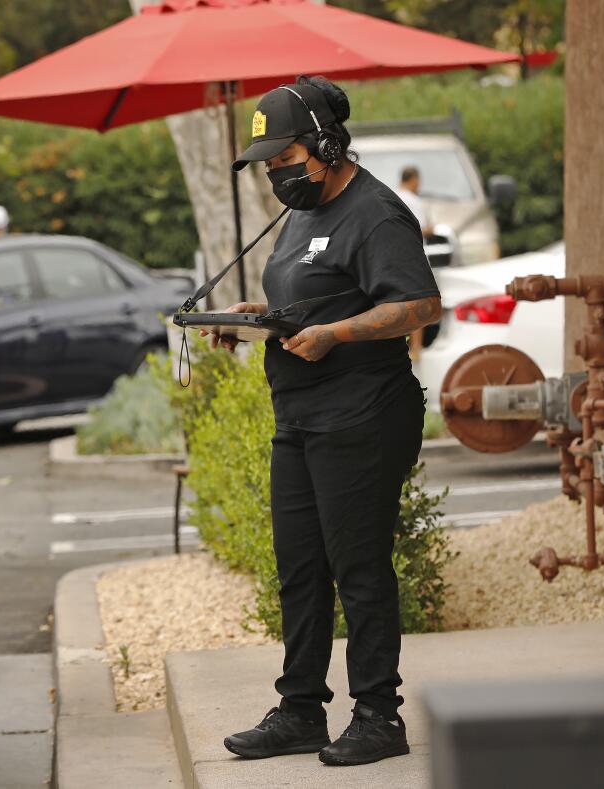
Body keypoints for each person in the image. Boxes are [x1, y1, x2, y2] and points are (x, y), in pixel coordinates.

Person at [207, 76, 441, 767]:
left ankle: (378, 715)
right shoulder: (302, 213)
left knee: (359, 566)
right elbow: (306, 295)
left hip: (363, 411)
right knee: (301, 567)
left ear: (326, 143)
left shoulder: (377, 213)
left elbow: (419, 305)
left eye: (286, 158)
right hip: (301, 413)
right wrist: (256, 318)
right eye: (269, 164)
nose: (278, 173)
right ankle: (301, 709)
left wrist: (336, 333)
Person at [394, 165, 433, 238]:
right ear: (414, 180)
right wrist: (430, 229)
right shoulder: (412, 200)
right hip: (412, 246)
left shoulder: (392, 196)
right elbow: (418, 230)